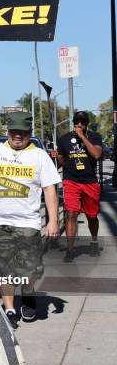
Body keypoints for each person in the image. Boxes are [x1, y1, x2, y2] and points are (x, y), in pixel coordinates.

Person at [0, 113, 60, 329]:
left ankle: (28, 295)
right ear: (7, 131)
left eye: (22, 133)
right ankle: (9, 308)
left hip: (28, 222)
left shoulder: (39, 156)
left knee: (28, 269)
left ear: (29, 133)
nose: (17, 136)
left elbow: (50, 189)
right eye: (13, 131)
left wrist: (52, 220)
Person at [53, 111, 103, 262]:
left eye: (83, 122)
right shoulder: (64, 139)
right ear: (73, 122)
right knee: (71, 214)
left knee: (92, 216)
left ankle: (94, 241)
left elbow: (96, 155)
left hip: (89, 182)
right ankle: (70, 250)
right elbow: (63, 160)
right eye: (77, 122)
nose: (80, 125)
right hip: (71, 181)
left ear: (87, 123)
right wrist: (57, 156)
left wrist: (82, 137)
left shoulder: (94, 137)